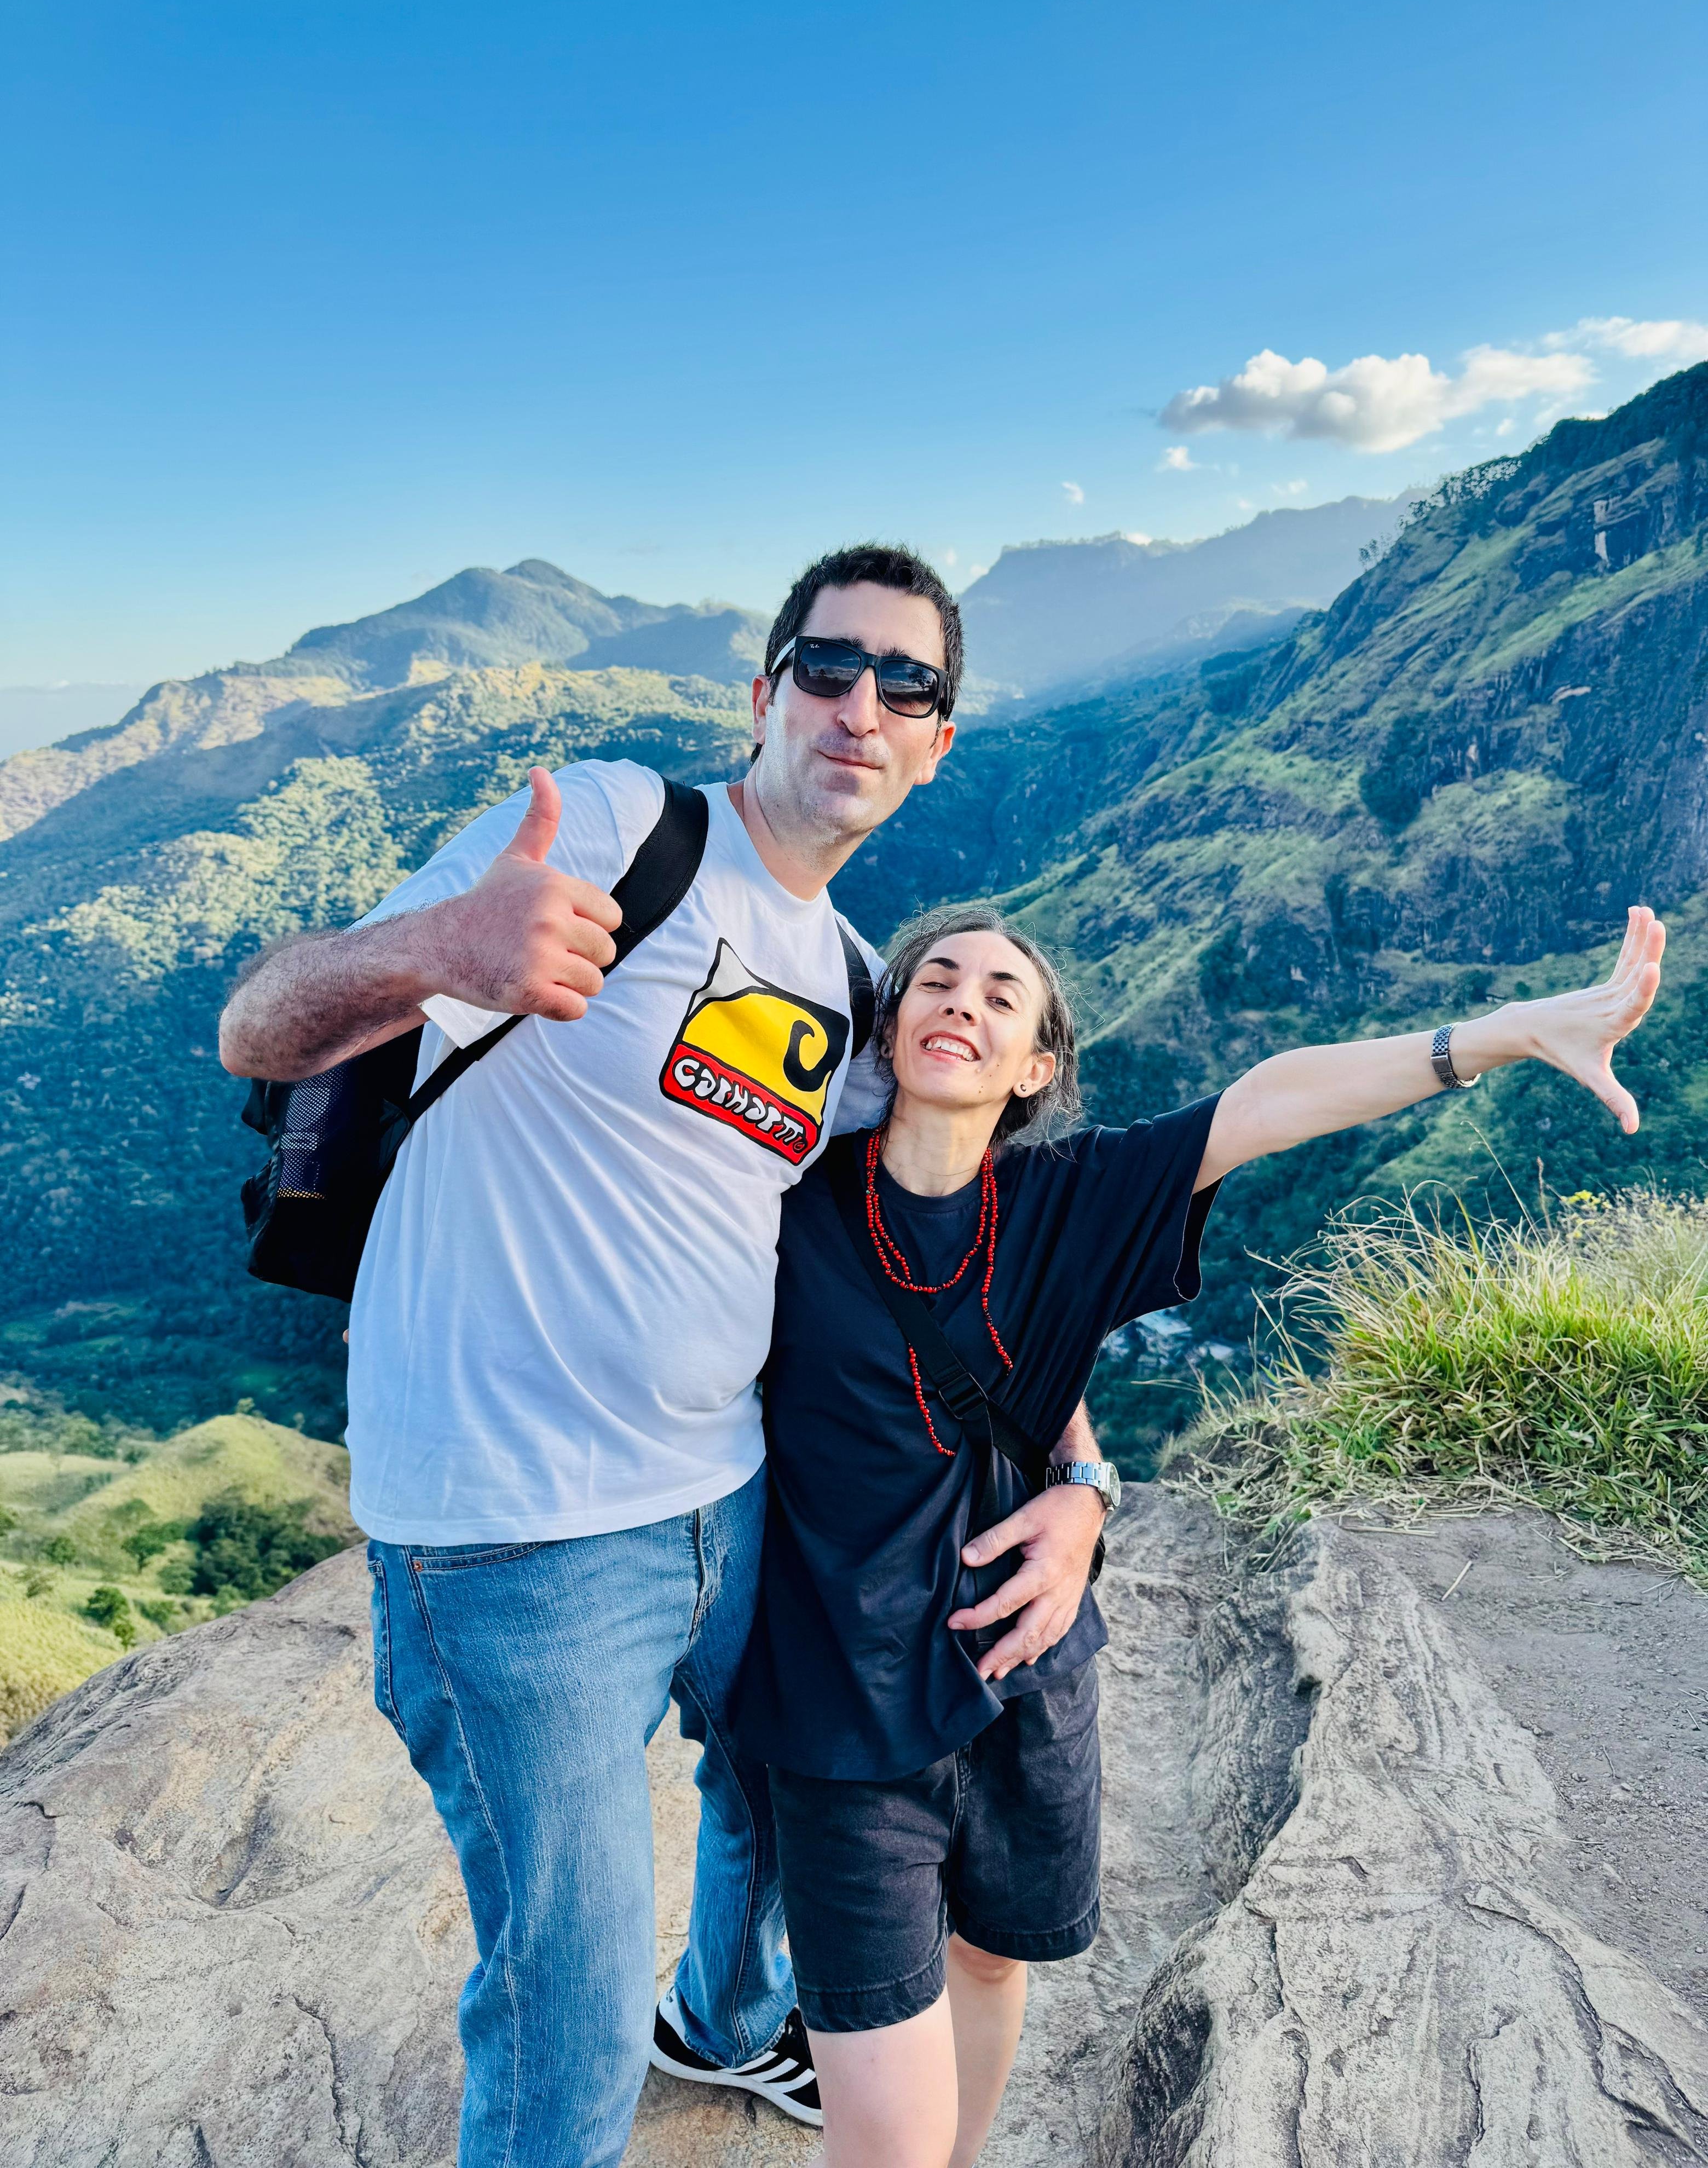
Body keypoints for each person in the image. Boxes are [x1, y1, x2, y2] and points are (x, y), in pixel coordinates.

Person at [216, 547, 1110, 2166]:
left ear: (936, 743)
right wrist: (438, 955)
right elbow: (260, 1025)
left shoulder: (847, 981)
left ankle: (724, 2013)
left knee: (774, 1794)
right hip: (519, 1535)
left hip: (741, 1496)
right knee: (565, 2010)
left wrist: (1081, 1475)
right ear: (765, 695)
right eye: (829, 669)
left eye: (906, 686)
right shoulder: (628, 834)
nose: (863, 705)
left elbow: (947, 1248)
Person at [735, 898, 1666, 2168]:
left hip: (1027, 1676)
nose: (964, 1001)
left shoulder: (1070, 1199)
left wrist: (1504, 1034)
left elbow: (1273, 1101)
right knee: (883, 2136)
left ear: (1036, 1067)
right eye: (936, 981)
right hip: (841, 1710)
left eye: (1004, 997)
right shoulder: (779, 1198)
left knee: (997, 1957)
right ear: (889, 1023)